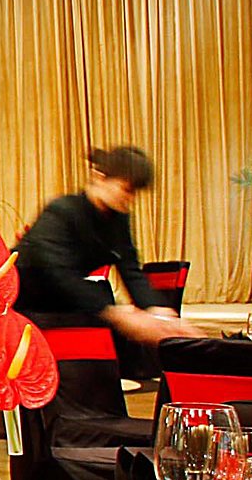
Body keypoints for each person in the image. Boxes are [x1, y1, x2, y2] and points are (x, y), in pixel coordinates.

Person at [11, 145, 200, 344]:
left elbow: (130, 269)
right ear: (99, 177)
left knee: (135, 327)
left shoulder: (118, 218)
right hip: (29, 300)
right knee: (118, 321)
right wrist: (114, 313)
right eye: (126, 189)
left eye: (134, 193)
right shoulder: (62, 210)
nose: (130, 199)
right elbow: (58, 272)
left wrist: (157, 309)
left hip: (65, 299)